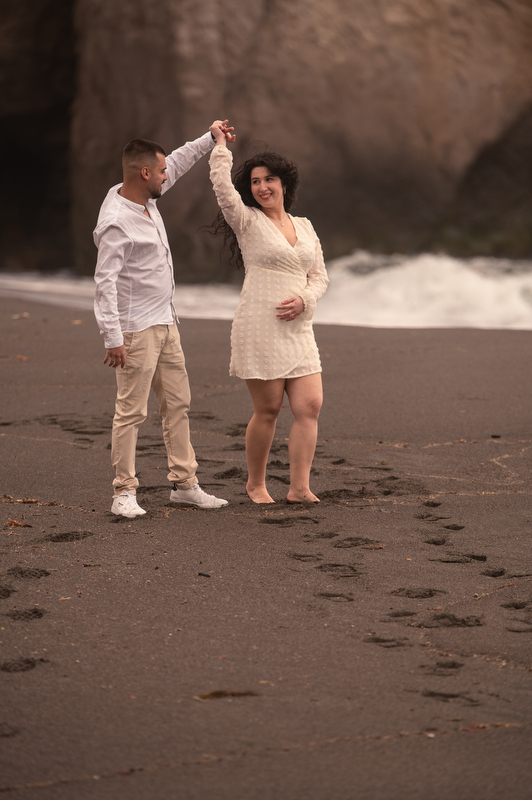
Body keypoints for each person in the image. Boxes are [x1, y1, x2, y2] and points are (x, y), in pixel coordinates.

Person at [94, 121, 235, 518]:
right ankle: (124, 492)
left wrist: (209, 138)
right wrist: (112, 337)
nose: (166, 175)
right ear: (144, 173)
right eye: (160, 172)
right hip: (135, 330)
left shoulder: (145, 197)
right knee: (131, 412)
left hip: (166, 321)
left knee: (178, 404)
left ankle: (185, 485)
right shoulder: (116, 221)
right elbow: (104, 283)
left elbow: (178, 160)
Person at [208, 121, 329, 504]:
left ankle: (299, 488)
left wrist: (305, 300)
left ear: (284, 184)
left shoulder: (305, 226)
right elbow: (222, 188)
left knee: (310, 405)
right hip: (260, 325)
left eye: (269, 179)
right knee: (269, 408)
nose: (262, 187)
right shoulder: (247, 220)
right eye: (256, 182)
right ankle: (256, 484)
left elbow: (320, 277)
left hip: (299, 327)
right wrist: (220, 146)